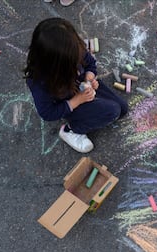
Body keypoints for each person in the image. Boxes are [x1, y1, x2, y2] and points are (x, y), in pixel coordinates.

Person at [24, 18, 128, 153]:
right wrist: (77, 100)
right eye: (70, 64)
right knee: (113, 111)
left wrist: (89, 78)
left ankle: (91, 105)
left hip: (83, 88)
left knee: (122, 109)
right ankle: (71, 130)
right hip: (69, 103)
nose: (76, 62)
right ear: (54, 64)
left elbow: (90, 63)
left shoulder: (74, 50)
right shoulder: (40, 82)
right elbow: (47, 113)